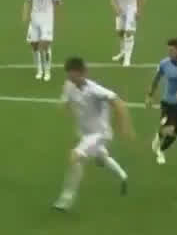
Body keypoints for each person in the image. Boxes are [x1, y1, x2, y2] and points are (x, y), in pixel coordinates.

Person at [54, 56, 133, 211]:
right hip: (85, 133)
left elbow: (118, 103)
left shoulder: (95, 90)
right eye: (69, 74)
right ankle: (123, 176)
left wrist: (124, 127)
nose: (71, 78)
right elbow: (65, 101)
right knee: (101, 158)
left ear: (82, 73)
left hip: (100, 134)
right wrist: (64, 106)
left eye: (74, 74)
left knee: (75, 157)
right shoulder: (69, 85)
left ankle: (66, 199)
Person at [23, 0, 62, 82]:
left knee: (44, 45)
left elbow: (58, 2)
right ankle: (39, 70)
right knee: (34, 45)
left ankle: (47, 70)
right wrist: (25, 15)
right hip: (34, 20)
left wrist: (57, 17)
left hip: (47, 21)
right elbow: (27, 2)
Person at [109, 0, 145, 67]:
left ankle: (127, 59)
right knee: (120, 32)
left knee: (129, 32)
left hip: (131, 9)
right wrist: (115, 6)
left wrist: (139, 11)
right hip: (120, 9)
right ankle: (122, 52)